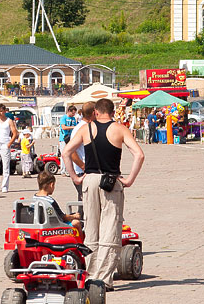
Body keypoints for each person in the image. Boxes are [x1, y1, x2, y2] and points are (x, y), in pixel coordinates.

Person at [62, 98, 145, 291]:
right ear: (112, 112)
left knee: (91, 228)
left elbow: (66, 152)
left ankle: (90, 276)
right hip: (111, 182)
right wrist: (130, 179)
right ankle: (104, 279)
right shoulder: (119, 129)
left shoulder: (85, 129)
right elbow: (139, 154)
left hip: (90, 180)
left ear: (96, 112)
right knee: (110, 230)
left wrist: (75, 176)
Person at [69, 103, 96, 201]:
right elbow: (71, 152)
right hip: (82, 172)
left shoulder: (87, 126)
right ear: (94, 113)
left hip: (85, 170)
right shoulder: (81, 128)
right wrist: (84, 166)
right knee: (87, 201)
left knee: (86, 201)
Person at [0, 104, 18, 194]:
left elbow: (14, 133)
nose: (0, 113)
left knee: (5, 166)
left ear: (5, 111)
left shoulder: (9, 121)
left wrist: (9, 144)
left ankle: (5, 186)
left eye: (1, 111)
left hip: (5, 144)